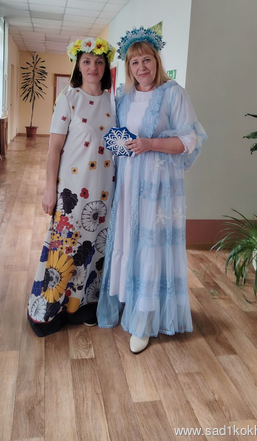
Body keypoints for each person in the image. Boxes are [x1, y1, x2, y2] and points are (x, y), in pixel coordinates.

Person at [97, 27, 207, 353]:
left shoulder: (174, 94)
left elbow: (190, 140)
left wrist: (150, 144)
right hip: (127, 184)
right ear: (128, 68)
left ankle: (144, 321)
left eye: (146, 60)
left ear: (157, 61)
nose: (141, 67)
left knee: (149, 248)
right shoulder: (124, 98)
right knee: (126, 242)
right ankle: (125, 304)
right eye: (134, 62)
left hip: (157, 187)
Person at [27, 37, 116, 337]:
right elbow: (54, 149)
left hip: (105, 191)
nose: (93, 67)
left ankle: (83, 306)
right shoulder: (68, 99)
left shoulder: (113, 102)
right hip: (72, 191)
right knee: (65, 248)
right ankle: (51, 309)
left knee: (94, 249)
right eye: (87, 61)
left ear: (106, 66)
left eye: (99, 62)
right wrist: (49, 189)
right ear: (78, 65)